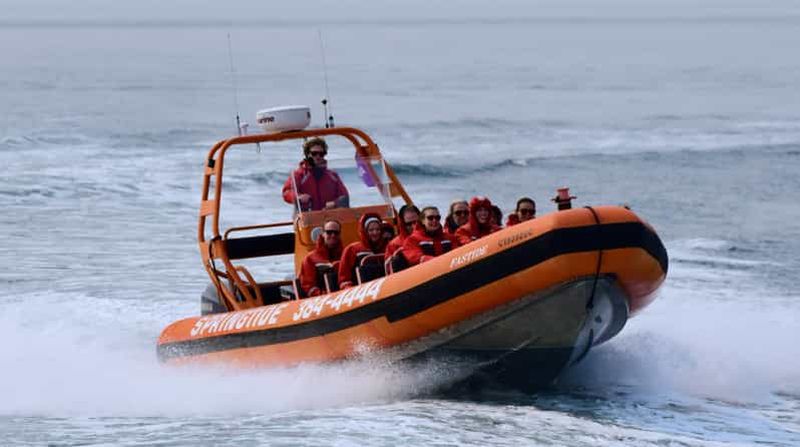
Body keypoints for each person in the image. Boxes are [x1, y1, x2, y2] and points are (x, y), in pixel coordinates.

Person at [282, 137, 349, 211]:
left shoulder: (333, 176)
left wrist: (335, 203)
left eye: (321, 154)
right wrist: (298, 197)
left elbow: (344, 197)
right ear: (307, 154)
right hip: (306, 215)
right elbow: (287, 192)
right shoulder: (298, 174)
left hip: (328, 215)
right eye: (314, 153)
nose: (318, 156)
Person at [338, 213, 387, 289]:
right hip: (362, 289)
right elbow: (344, 278)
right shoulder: (352, 249)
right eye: (371, 230)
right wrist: (351, 289)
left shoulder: (387, 247)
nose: (375, 233)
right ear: (365, 231)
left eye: (378, 229)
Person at [298, 219, 343, 297]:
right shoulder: (310, 259)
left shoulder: (345, 254)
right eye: (329, 232)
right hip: (322, 297)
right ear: (323, 234)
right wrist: (325, 296)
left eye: (336, 233)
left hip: (343, 294)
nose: (333, 235)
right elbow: (308, 285)